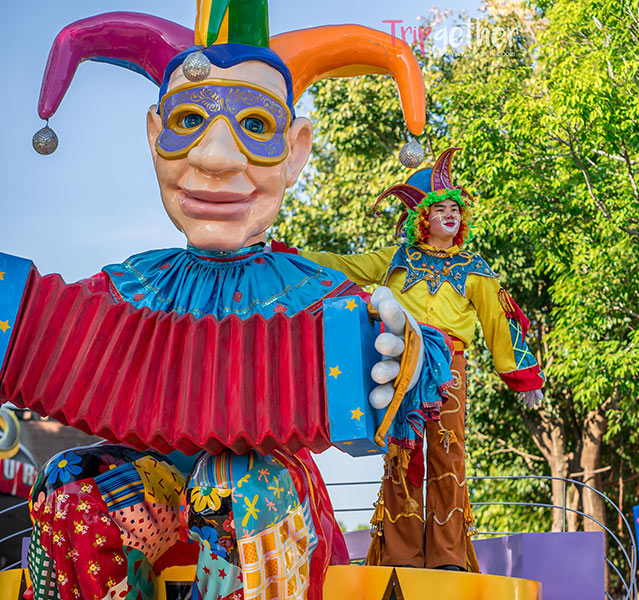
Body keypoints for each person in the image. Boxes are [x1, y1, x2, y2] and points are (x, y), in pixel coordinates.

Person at [0, 4, 442, 600]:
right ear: (155, 136)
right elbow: (41, 337)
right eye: (188, 121)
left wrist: (404, 352)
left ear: (296, 149)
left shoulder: (313, 290)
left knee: (237, 476)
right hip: (156, 491)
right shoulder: (133, 285)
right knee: (68, 480)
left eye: (255, 126)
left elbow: (417, 363)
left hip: (266, 495)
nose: (215, 157)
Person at [297, 148, 545, 572]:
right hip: (402, 361)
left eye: (455, 209)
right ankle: (401, 555)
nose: (450, 215)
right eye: (440, 209)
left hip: (449, 366)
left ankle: (448, 556)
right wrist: (289, 256)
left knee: (448, 454)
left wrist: (524, 377)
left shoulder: (475, 267)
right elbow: (343, 266)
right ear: (422, 218)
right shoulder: (396, 259)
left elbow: (499, 320)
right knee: (401, 454)